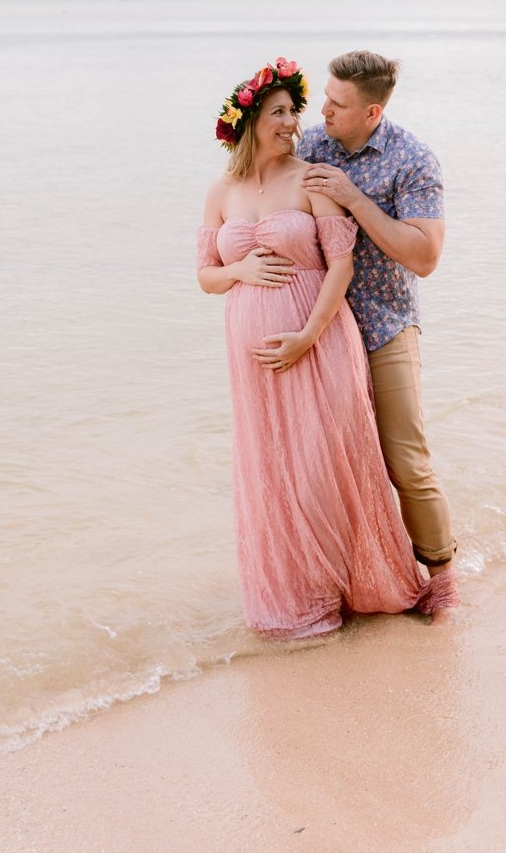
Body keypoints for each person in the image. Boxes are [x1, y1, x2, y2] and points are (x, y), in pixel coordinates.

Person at [196, 58, 428, 638]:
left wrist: (307, 336)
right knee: (271, 470)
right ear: (247, 121)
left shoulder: (311, 176)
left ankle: (364, 582)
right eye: (280, 113)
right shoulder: (220, 192)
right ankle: (299, 593)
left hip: (317, 340)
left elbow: (342, 263)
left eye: (295, 112)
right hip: (251, 357)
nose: (296, 122)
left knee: (325, 470)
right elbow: (204, 275)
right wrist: (239, 268)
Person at [297, 49, 459, 619]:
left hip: (386, 327)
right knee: (327, 467)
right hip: (321, 332)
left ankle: (442, 578)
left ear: (371, 112)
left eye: (338, 105)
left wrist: (354, 197)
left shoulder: (412, 159)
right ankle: (346, 583)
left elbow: (425, 256)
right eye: (325, 98)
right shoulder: (310, 145)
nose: (324, 112)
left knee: (406, 464)